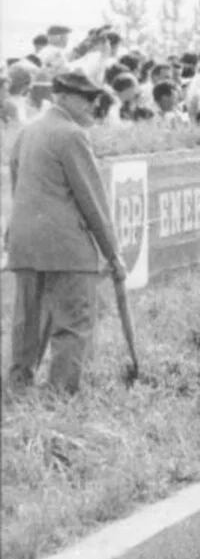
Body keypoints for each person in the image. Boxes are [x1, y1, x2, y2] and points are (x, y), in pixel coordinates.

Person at [4, 71, 125, 394]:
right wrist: (112, 253)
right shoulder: (71, 134)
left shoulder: (28, 131)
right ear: (64, 98)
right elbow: (92, 200)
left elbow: (18, 190)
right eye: (86, 99)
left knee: (27, 324)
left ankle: (17, 390)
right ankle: (61, 398)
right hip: (67, 249)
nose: (92, 106)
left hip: (26, 245)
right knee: (73, 324)